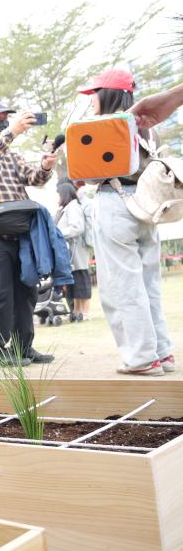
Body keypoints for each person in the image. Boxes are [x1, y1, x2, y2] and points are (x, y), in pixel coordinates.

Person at [78, 69, 174, 375]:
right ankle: (162, 353)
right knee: (149, 286)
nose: (91, 99)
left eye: (94, 93)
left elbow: (88, 175)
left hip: (114, 202)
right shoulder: (148, 127)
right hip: (146, 204)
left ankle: (142, 359)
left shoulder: (103, 125)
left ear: (107, 94)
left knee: (122, 288)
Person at [0, 101, 58, 367]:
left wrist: (46, 165)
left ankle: (24, 347)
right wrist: (12, 132)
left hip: (20, 234)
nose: (2, 119)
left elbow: (35, 180)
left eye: (5, 116)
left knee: (26, 292)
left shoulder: (12, 154)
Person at [55, 183, 91, 320]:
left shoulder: (73, 207)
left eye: (58, 194)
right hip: (69, 251)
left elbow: (77, 228)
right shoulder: (66, 208)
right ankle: (77, 312)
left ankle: (85, 312)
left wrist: (58, 233)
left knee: (81, 279)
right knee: (74, 282)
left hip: (77, 250)